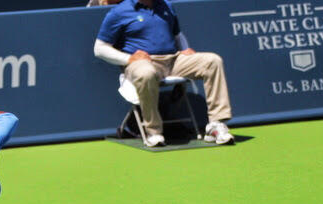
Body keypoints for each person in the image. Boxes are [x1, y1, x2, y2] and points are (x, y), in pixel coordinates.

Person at [94, 0, 234, 147]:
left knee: (212, 61)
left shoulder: (166, 6)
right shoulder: (119, 12)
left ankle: (216, 125)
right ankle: (153, 132)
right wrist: (128, 58)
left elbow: (177, 35)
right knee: (146, 73)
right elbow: (100, 48)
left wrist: (185, 48)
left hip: (174, 60)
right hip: (142, 63)